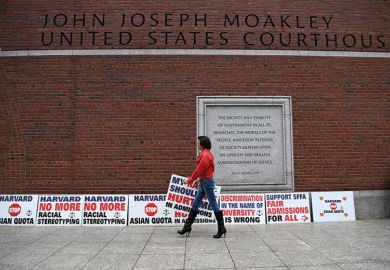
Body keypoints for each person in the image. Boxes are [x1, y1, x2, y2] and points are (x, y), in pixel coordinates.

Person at [177, 136, 227, 238]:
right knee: (195, 204)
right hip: (204, 182)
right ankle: (187, 227)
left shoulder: (205, 155)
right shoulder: (205, 154)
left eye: (198, 142)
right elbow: (202, 171)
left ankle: (221, 228)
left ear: (202, 144)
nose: (197, 143)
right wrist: (198, 179)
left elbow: (199, 170)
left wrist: (190, 180)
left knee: (213, 205)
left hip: (207, 183)